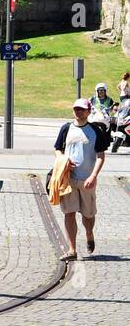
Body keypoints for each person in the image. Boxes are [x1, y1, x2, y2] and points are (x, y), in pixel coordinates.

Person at [54, 98, 108, 261]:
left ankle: (89, 233)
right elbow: (58, 149)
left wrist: (93, 176)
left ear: (88, 111)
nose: (78, 112)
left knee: (88, 215)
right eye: (76, 109)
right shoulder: (66, 128)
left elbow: (100, 156)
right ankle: (72, 249)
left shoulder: (95, 130)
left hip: (87, 180)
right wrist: (63, 160)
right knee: (69, 213)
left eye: (82, 109)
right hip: (68, 179)